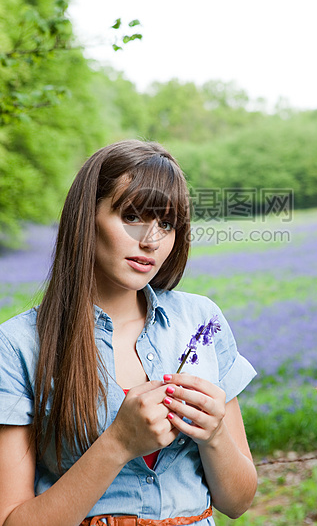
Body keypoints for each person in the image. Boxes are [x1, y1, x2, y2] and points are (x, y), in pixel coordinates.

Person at [0, 139, 257, 526]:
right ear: (87, 217)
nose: (151, 241)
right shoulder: (18, 345)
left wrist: (216, 435)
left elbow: (237, 503)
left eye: (167, 224)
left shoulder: (200, 319)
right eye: (133, 216)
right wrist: (119, 443)